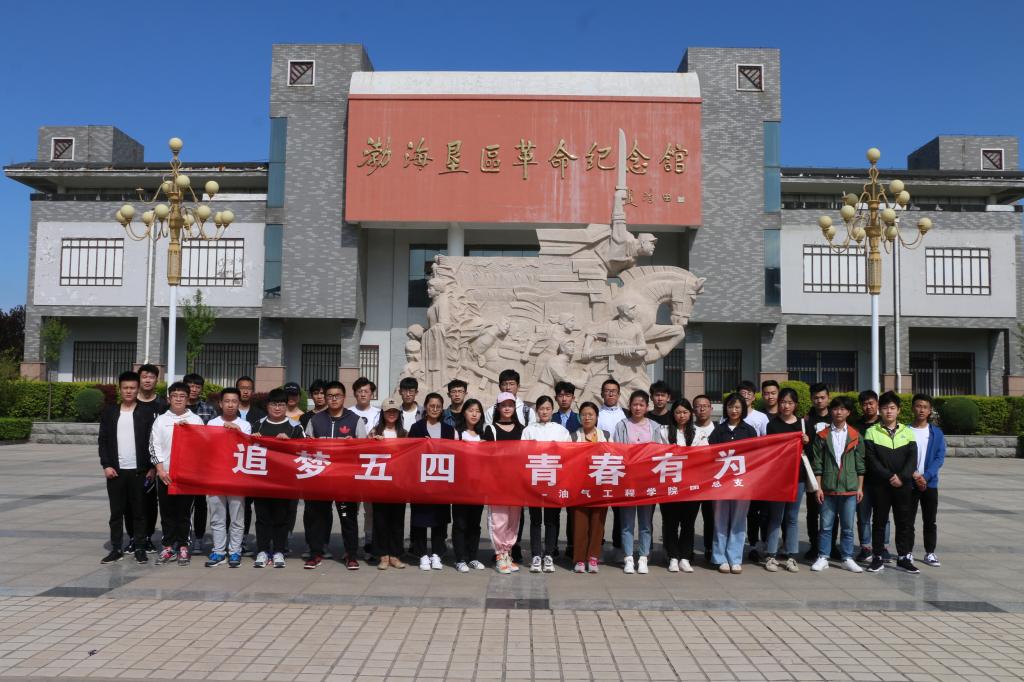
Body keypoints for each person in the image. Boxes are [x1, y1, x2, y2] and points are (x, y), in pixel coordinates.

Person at [304, 381, 367, 570]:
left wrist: (353, 444)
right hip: (320, 478)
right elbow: (306, 447)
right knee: (318, 517)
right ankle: (316, 553)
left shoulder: (355, 420)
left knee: (347, 517)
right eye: (329, 396)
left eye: (337, 396)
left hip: (345, 480)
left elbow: (365, 448)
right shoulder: (315, 420)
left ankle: (351, 555)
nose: (333, 399)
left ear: (344, 397)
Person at [98, 371, 156, 565]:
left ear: (137, 389)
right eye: (125, 388)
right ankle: (116, 548)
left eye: (132, 388)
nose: (129, 391)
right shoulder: (110, 412)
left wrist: (152, 467)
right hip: (116, 472)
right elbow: (103, 441)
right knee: (116, 513)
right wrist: (106, 465)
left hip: (139, 471)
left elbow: (152, 441)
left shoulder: (145, 413)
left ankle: (140, 547)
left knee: (139, 512)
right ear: (120, 389)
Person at [149, 381, 205, 566]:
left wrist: (190, 431)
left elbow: (202, 446)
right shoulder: (160, 420)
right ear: (169, 399)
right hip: (165, 474)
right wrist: (160, 470)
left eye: (182, 396)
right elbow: (154, 446)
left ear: (188, 399)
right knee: (167, 512)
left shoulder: (196, 420)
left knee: (184, 513)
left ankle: (183, 546)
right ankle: (168, 546)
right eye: (175, 396)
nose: (178, 399)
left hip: (186, 476)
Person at [614, 390, 668, 574]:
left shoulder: (655, 427)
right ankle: (628, 557)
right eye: (634, 404)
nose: (637, 408)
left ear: (647, 407)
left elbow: (659, 452)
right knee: (627, 522)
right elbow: (617, 450)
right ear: (629, 406)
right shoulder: (622, 425)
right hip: (628, 480)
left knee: (646, 522)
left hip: (647, 480)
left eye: (641, 405)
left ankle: (643, 556)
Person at [864, 392, 919, 574]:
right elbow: (872, 460)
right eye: (885, 408)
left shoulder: (908, 432)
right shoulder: (871, 432)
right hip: (880, 485)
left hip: (903, 485)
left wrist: (901, 477)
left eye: (892, 408)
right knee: (879, 521)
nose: (889, 411)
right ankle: (877, 557)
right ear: (880, 410)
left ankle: (903, 557)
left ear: (899, 410)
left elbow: (912, 459)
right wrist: (889, 476)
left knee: (903, 521)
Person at [810, 396, 865, 573]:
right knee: (826, 526)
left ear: (848, 412)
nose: (838, 412)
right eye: (835, 409)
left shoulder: (855, 436)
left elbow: (860, 464)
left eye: (842, 409)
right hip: (827, 488)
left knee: (848, 528)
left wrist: (859, 488)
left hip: (849, 489)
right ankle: (823, 557)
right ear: (831, 411)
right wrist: (818, 487)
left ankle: (847, 558)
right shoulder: (822, 435)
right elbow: (817, 464)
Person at [252, 388, 305, 568]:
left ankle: (279, 551)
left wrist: (290, 443)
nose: (277, 408)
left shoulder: (295, 426)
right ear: (267, 405)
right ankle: (262, 550)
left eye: (281, 404)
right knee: (262, 517)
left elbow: (304, 450)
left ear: (287, 406)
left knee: (281, 517)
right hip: (261, 480)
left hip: (285, 481)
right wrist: (253, 439)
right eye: (274, 404)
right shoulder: (257, 425)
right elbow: (245, 448)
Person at [709, 393, 758, 574]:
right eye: (730, 407)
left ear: (743, 409)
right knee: (720, 520)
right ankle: (720, 557)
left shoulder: (749, 430)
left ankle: (735, 558)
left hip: (742, 483)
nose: (734, 410)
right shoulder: (718, 430)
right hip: (721, 483)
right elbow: (710, 455)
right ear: (725, 409)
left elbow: (756, 456)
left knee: (739, 520)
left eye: (737, 407)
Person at [522, 395, 571, 573]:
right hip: (534, 480)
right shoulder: (528, 430)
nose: (544, 412)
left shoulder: (561, 430)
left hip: (554, 480)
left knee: (551, 520)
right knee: (535, 520)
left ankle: (549, 554)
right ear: (537, 411)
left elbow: (568, 454)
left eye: (548, 408)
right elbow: (522, 454)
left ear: (552, 410)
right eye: (541, 409)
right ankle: (536, 555)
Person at [204, 388, 252, 568]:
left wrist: (237, 431)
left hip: (236, 477)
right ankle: (218, 551)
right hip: (216, 476)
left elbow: (248, 447)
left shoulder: (245, 425)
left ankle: (235, 551)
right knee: (217, 516)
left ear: (239, 404)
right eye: (227, 401)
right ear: (220, 404)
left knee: (237, 517)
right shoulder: (212, 423)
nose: (230, 405)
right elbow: (207, 447)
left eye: (234, 401)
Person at [763, 388, 808, 573]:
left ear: (795, 405)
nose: (786, 406)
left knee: (792, 517)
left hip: (798, 476)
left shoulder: (803, 424)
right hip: (779, 477)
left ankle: (791, 556)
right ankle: (771, 555)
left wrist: (807, 441)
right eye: (783, 402)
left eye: (790, 402)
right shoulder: (772, 425)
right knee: (776, 517)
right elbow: (769, 450)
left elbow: (811, 452)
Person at [409, 392, 455, 570]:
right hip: (421, 480)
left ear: (442, 409)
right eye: (431, 406)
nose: (434, 409)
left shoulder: (448, 430)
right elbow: (409, 454)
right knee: (420, 518)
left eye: (438, 406)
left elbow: (454, 454)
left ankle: (437, 553)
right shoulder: (416, 428)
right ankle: (421, 554)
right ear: (426, 407)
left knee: (440, 518)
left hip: (441, 480)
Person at [484, 392, 525, 574]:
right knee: (499, 519)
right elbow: (486, 457)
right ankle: (500, 555)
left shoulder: (522, 429)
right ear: (498, 408)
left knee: (513, 520)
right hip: (497, 482)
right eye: (503, 405)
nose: (507, 408)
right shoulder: (491, 429)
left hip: (516, 483)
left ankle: (508, 553)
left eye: (510, 405)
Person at [570, 402, 610, 573]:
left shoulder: (606, 435)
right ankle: (579, 559)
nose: (587, 418)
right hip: (579, 486)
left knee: (598, 522)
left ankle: (593, 557)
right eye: (584, 415)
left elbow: (613, 456)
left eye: (590, 414)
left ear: (596, 417)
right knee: (580, 523)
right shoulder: (573, 436)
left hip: (600, 485)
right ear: (580, 417)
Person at [369, 398, 408, 570]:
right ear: (383, 413)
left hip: (399, 483)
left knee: (397, 520)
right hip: (379, 482)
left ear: (399, 413)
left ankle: (395, 555)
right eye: (388, 411)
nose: (391, 414)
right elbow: (365, 452)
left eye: (394, 411)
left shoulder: (404, 433)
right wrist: (373, 443)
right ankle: (383, 555)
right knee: (380, 520)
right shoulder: (374, 431)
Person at [733, 380, 769, 563]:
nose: (745, 396)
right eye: (742, 393)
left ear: (754, 397)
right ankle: (747, 544)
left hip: (756, 470)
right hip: (736, 471)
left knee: (760, 510)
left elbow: (767, 442)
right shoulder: (729, 417)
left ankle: (761, 544)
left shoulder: (761, 418)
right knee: (744, 511)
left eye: (749, 393)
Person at [127, 363, 161, 553]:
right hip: (130, 463)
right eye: (144, 376)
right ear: (139, 379)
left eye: (151, 377)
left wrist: (155, 466)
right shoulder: (130, 404)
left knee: (149, 503)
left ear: (157, 380)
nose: (148, 380)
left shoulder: (162, 405)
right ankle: (133, 537)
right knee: (130, 502)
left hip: (153, 466)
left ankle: (147, 537)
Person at [908, 394, 946, 568]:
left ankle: (930, 552)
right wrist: (915, 475)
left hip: (929, 484)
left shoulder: (936, 433)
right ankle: (907, 552)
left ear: (930, 410)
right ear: (912, 408)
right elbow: (901, 456)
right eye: (918, 406)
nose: (921, 410)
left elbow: (939, 457)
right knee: (907, 520)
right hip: (910, 483)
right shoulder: (904, 431)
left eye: (925, 407)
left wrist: (926, 476)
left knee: (930, 520)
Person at [452, 398, 487, 572]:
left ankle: (472, 556)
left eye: (477, 411)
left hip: (478, 485)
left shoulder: (483, 434)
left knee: (474, 523)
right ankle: (459, 558)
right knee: (460, 523)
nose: (474, 414)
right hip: (460, 485)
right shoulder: (457, 433)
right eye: (471, 410)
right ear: (464, 412)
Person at [661, 398, 696, 573]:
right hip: (670, 484)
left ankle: (685, 557)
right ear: (672, 414)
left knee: (688, 523)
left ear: (690, 414)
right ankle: (673, 556)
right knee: (671, 522)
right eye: (678, 412)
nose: (681, 415)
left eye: (685, 412)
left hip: (692, 486)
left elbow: (703, 456)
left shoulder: (698, 433)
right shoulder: (663, 431)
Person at [855, 389, 891, 562]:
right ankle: (866, 547)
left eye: (871, 403)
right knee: (863, 515)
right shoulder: (856, 426)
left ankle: (883, 547)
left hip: (882, 478)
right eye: (864, 404)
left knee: (883, 515)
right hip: (862, 478)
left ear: (877, 404)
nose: (868, 407)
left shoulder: (885, 424)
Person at [183, 372, 215, 554]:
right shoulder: (176, 408)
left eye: (197, 386)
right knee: (183, 503)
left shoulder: (208, 409)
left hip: (202, 464)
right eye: (191, 386)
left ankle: (200, 538)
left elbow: (215, 435)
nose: (194, 389)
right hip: (182, 462)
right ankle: (183, 537)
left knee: (201, 502)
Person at [235, 374, 266, 557]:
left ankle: (247, 539)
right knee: (237, 505)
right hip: (235, 464)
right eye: (242, 388)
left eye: (248, 388)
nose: (245, 391)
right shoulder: (229, 412)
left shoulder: (260, 414)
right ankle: (236, 539)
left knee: (252, 505)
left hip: (254, 465)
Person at [803, 382, 833, 561]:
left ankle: (831, 546)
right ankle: (814, 545)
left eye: (822, 397)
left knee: (831, 510)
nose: (819, 401)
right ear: (811, 399)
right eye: (816, 398)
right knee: (813, 511)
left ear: (828, 398)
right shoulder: (805, 420)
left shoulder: (836, 417)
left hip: (832, 470)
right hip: (812, 471)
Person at [597, 377, 626, 552]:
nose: (610, 394)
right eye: (607, 391)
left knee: (619, 509)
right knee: (600, 508)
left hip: (621, 467)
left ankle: (618, 544)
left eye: (613, 391)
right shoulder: (595, 414)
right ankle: (597, 542)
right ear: (602, 394)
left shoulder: (626, 414)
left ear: (619, 394)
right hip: (600, 466)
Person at [691, 394, 717, 563]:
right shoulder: (688, 429)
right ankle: (687, 549)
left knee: (711, 517)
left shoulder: (719, 429)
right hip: (692, 481)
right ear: (693, 409)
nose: (701, 409)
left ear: (711, 409)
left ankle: (709, 548)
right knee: (689, 517)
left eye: (705, 406)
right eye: (698, 406)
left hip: (712, 481)